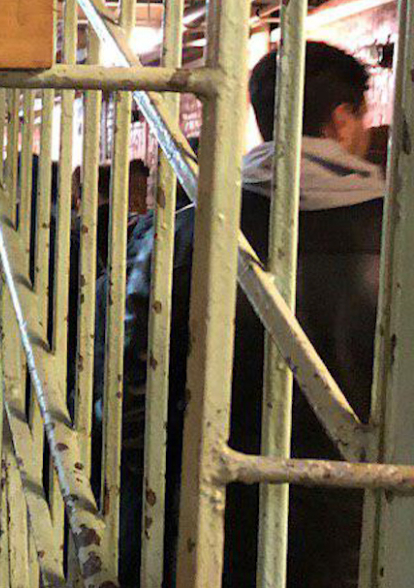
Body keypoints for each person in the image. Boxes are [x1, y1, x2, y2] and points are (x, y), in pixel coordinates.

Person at [102, 41, 386, 587]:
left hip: (218, 516)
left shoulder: (190, 228)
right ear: (341, 118)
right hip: (361, 522)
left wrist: (157, 499)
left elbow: (132, 389)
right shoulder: (395, 236)